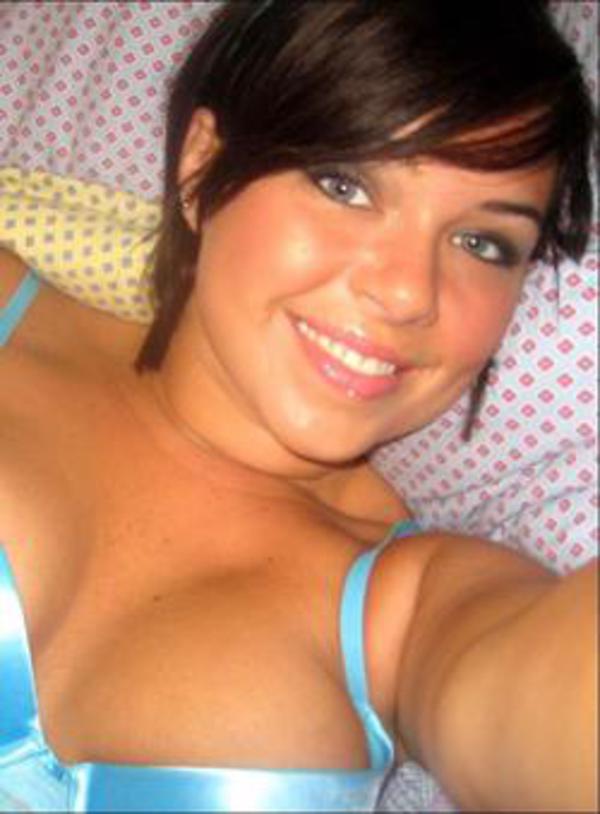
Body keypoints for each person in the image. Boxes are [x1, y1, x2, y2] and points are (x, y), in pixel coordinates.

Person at [0, 1, 596, 811]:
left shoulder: (410, 607)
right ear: (202, 166)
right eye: (346, 185)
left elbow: (543, 699)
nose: (406, 291)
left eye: (481, 243)